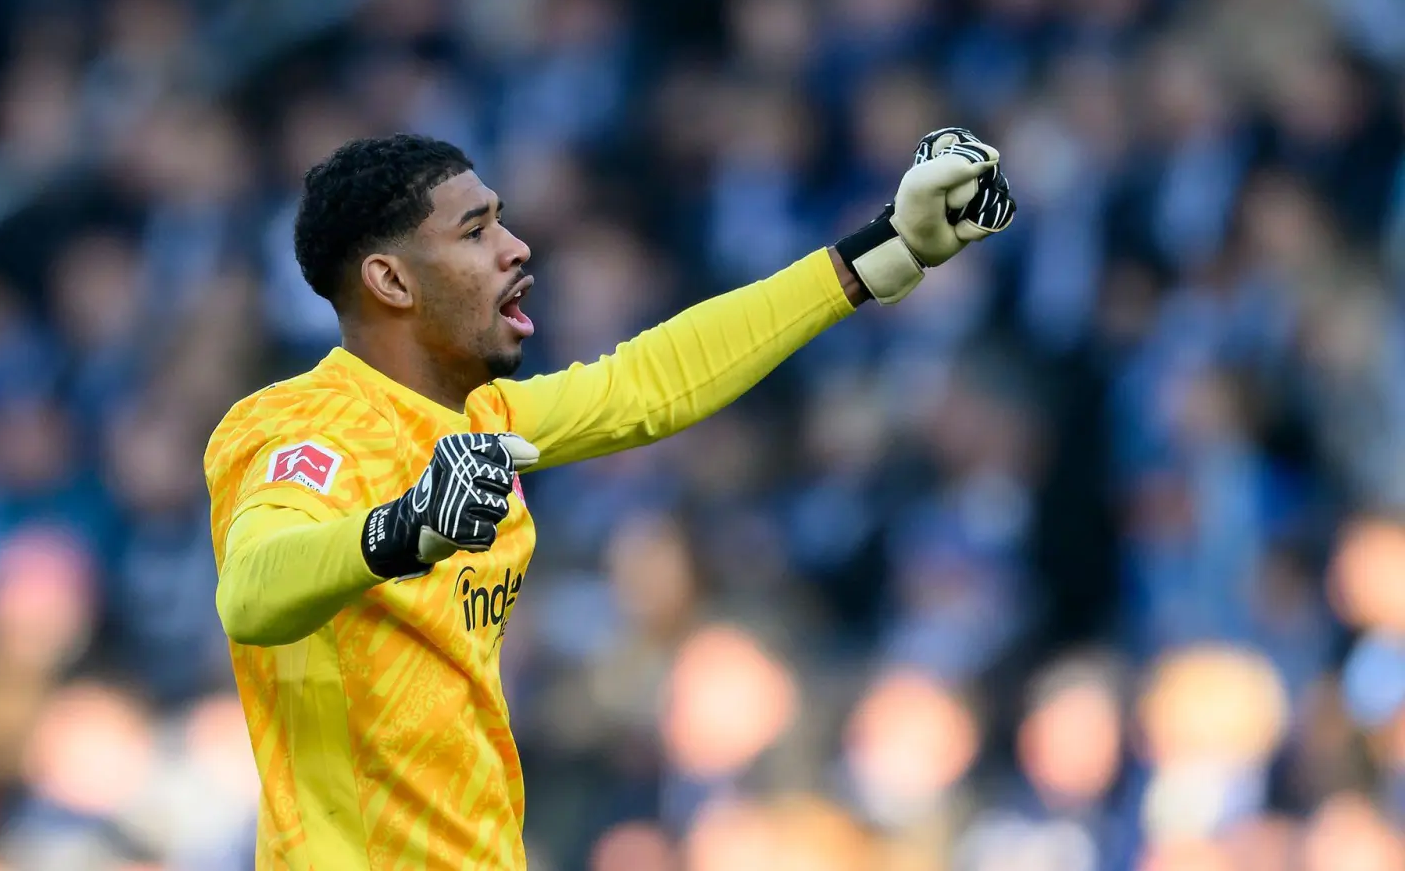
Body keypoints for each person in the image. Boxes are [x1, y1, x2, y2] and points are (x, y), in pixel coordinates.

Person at [204, 128, 1015, 870]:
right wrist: (403, 527)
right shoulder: (300, 428)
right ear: (390, 280)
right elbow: (253, 592)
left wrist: (880, 254)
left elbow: (649, 382)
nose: (516, 248)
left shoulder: (483, 416)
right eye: (476, 231)